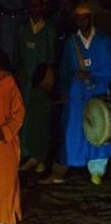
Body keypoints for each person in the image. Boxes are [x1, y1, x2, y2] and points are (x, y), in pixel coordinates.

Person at [59, 2, 111, 185]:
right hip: (77, 92)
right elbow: (65, 68)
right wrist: (64, 88)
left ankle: (97, 170)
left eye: (84, 17)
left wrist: (93, 75)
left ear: (90, 18)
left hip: (98, 89)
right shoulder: (71, 42)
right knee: (76, 127)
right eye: (78, 17)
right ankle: (77, 163)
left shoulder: (104, 41)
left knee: (100, 126)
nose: (81, 21)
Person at [14, 0, 55, 175]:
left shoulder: (49, 30)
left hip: (41, 83)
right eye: (32, 5)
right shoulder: (22, 29)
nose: (35, 9)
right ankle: (26, 154)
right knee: (24, 117)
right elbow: (17, 55)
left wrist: (47, 80)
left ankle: (40, 158)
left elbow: (52, 59)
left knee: (41, 121)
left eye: (38, 5)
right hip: (25, 83)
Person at [0, 49, 25, 224]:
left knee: (4, 185)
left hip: (4, 145)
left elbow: (18, 114)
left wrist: (5, 132)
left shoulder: (8, 83)